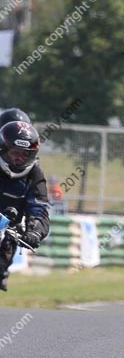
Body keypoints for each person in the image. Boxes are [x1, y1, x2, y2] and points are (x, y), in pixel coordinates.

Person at [0, 121, 49, 291]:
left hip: (6, 232)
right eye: (15, 152)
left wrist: (34, 231)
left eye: (24, 154)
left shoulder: (34, 174)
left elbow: (39, 208)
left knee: (1, 265)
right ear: (3, 149)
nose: (19, 158)